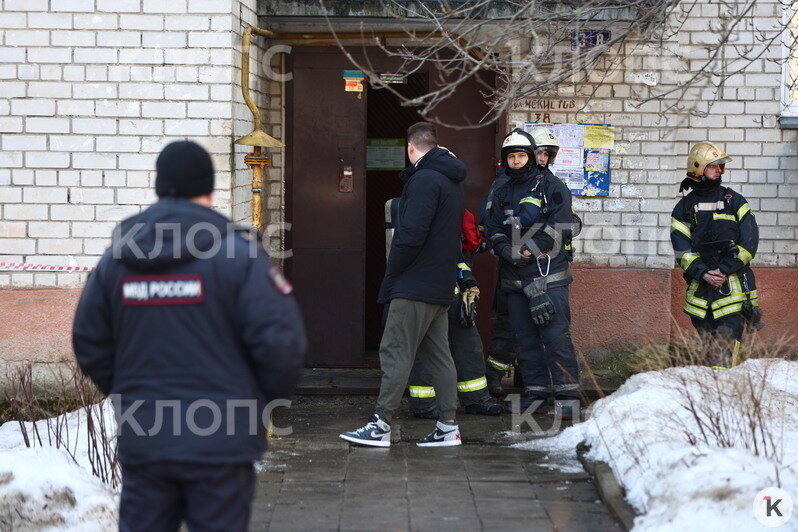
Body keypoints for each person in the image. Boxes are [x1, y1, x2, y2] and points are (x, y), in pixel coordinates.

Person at [72, 141, 307, 531]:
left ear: (159, 187)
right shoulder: (240, 256)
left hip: (146, 437)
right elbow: (283, 342)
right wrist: (255, 402)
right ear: (210, 190)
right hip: (223, 442)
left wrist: (129, 392)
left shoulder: (117, 260)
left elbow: (88, 340)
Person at [340, 122, 466, 447]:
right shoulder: (450, 181)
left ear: (410, 148)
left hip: (414, 285)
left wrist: (392, 274)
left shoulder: (424, 179)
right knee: (440, 356)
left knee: (394, 351)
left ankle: (380, 425)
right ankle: (448, 427)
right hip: (439, 285)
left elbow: (410, 235)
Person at [484, 127, 581, 419]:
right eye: (512, 156)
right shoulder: (501, 189)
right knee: (525, 341)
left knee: (555, 337)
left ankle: (568, 397)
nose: (518, 161)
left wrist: (529, 248)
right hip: (514, 277)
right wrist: (504, 249)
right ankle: (536, 396)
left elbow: (563, 222)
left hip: (547, 275)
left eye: (522, 155)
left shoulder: (553, 187)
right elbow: (492, 226)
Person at [670, 141, 760, 367]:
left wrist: (723, 270)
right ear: (698, 168)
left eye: (721, 166)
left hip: (733, 292)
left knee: (725, 354)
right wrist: (703, 273)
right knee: (710, 353)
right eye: (714, 166)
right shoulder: (684, 208)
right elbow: (682, 249)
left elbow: (749, 244)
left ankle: (723, 395)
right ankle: (712, 395)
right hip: (701, 294)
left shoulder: (735, 201)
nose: (719, 170)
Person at [406, 251, 504, 418]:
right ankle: (423, 405)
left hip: (452, 297)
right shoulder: (416, 228)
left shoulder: (446, 229)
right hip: (423, 296)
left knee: (469, 347)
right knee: (425, 350)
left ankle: (477, 400)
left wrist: (468, 281)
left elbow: (457, 259)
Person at [479, 168, 519, 398]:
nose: (543, 158)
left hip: (543, 266)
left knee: (536, 327)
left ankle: (526, 378)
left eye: (547, 154)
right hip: (512, 265)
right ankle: (492, 377)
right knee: (509, 324)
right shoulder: (503, 184)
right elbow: (487, 222)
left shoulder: (548, 183)